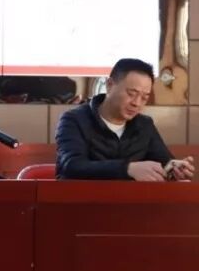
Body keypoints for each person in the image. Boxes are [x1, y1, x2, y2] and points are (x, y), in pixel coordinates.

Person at [56, 58, 194, 181]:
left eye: (144, 97)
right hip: (85, 200)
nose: (137, 103)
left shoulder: (144, 125)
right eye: (131, 93)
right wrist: (127, 169)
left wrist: (174, 169)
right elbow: (71, 166)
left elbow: (164, 163)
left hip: (134, 201)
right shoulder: (74, 120)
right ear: (110, 85)